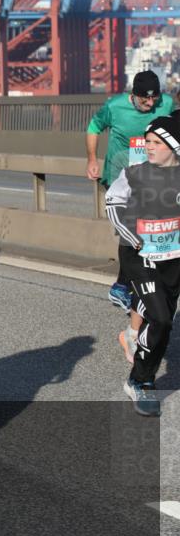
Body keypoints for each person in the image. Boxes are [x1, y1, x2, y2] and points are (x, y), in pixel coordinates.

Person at [105, 114, 180, 417]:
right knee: (160, 318)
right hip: (140, 256)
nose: (149, 147)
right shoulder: (134, 173)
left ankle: (141, 362)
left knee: (165, 324)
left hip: (173, 258)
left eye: (157, 143)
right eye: (147, 141)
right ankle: (141, 381)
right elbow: (113, 203)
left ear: (173, 146)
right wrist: (130, 234)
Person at [87, 70, 174, 314]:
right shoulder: (114, 106)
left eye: (154, 98)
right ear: (132, 95)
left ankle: (132, 284)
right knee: (133, 228)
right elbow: (93, 127)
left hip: (152, 179)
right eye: (144, 99)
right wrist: (92, 159)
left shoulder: (166, 103)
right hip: (119, 178)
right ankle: (126, 285)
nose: (150, 103)